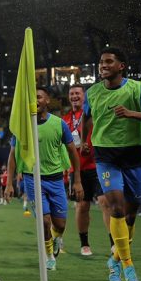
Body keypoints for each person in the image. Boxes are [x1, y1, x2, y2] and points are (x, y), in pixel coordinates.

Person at [82, 48, 141, 281]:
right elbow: (87, 117)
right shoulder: (93, 92)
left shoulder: (136, 89)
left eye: (108, 62)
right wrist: (84, 141)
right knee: (116, 208)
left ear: (121, 66)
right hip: (105, 154)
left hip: (133, 153)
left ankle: (115, 258)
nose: (103, 66)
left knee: (130, 214)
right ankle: (128, 266)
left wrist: (130, 114)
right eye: (100, 62)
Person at [6, 87, 84, 271]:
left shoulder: (59, 124)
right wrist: (9, 183)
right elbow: (12, 155)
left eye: (39, 97)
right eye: (32, 98)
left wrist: (77, 180)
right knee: (45, 221)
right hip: (32, 179)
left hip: (56, 179)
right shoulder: (22, 127)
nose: (35, 101)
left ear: (47, 100)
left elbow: (73, 152)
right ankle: (49, 256)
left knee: (60, 224)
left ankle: (56, 239)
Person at [62, 84, 102, 256]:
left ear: (84, 96)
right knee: (82, 205)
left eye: (78, 93)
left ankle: (114, 243)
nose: (74, 96)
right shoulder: (64, 120)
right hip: (77, 169)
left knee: (106, 202)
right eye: (72, 94)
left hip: (97, 164)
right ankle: (84, 244)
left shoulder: (93, 113)